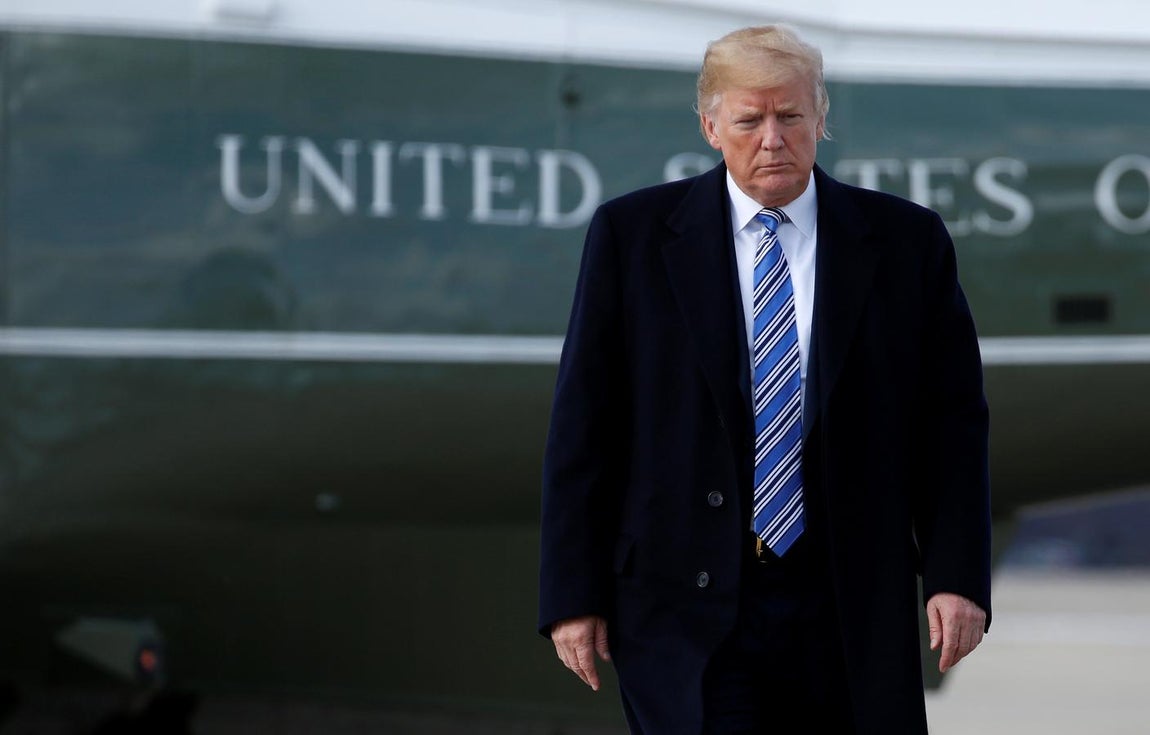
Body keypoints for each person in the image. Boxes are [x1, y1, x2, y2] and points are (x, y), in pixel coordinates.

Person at [537, 24, 991, 735]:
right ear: (711, 125)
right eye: (750, 120)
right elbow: (584, 426)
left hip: (848, 602)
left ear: (821, 117)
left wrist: (957, 573)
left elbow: (952, 426)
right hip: (682, 604)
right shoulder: (632, 237)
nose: (772, 138)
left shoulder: (907, 242)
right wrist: (572, 593)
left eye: (791, 116)